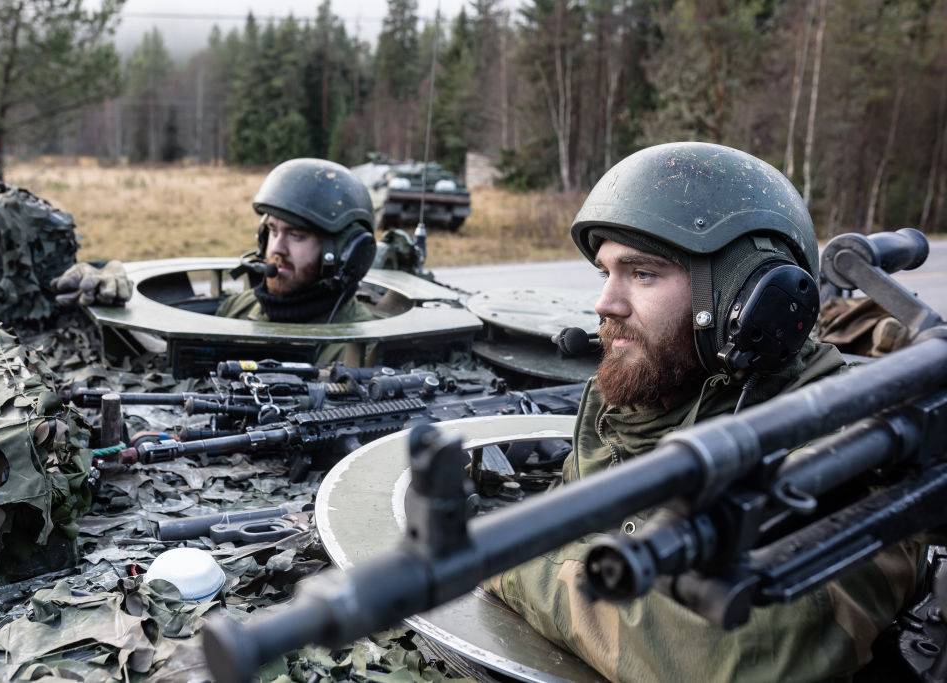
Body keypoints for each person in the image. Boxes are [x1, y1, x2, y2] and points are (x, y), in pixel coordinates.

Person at [484, 141, 924, 681]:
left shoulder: (859, 445)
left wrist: (504, 561)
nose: (606, 303)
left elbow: (749, 654)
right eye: (605, 273)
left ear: (751, 299)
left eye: (642, 273)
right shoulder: (629, 404)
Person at [53, 158, 378, 365]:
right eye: (272, 231)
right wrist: (109, 299)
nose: (276, 249)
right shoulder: (237, 309)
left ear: (346, 254)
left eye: (297, 235)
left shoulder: (360, 347)